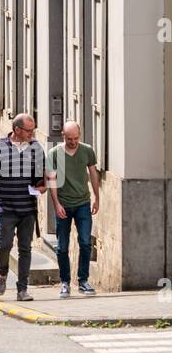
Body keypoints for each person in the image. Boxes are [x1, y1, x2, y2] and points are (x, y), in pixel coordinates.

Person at [0, 113, 47, 301]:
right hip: (6, 207)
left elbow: (43, 178)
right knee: (4, 245)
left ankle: (22, 289)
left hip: (27, 208)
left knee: (25, 248)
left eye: (33, 130)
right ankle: (2, 274)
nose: (32, 134)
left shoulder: (36, 148)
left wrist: (42, 187)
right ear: (17, 130)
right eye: (29, 130)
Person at [46, 120, 100, 297]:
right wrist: (56, 204)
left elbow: (93, 174)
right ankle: (65, 282)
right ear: (63, 136)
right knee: (62, 247)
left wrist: (97, 198)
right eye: (70, 139)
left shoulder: (87, 150)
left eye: (76, 138)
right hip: (64, 204)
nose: (73, 142)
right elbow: (51, 181)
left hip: (83, 203)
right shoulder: (54, 154)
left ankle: (83, 281)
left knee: (85, 243)